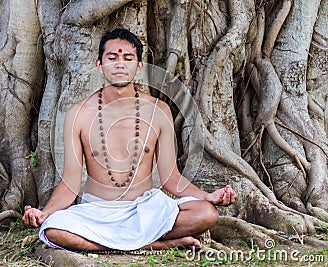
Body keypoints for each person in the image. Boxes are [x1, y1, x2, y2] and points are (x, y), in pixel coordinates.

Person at [23, 28, 237, 251]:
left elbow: (171, 178)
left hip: (145, 210)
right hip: (97, 213)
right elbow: (70, 183)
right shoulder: (78, 114)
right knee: (52, 230)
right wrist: (45, 213)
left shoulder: (158, 110)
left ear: (139, 66)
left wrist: (208, 196)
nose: (119, 64)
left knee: (206, 214)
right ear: (99, 64)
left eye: (128, 58)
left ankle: (120, 242)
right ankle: (153, 244)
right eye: (112, 57)